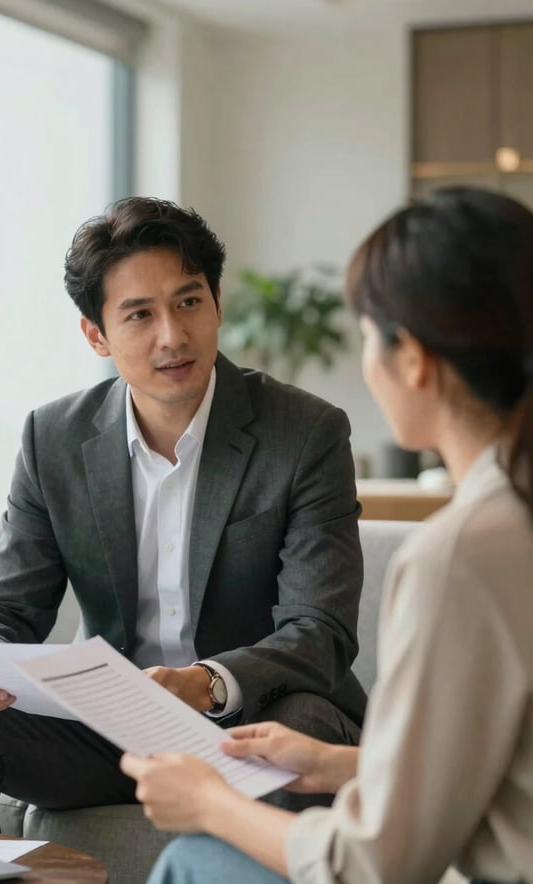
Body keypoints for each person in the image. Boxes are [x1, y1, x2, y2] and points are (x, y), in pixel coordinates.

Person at [0, 196, 366, 831]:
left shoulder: (305, 432)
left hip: (256, 720)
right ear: (96, 334)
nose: (173, 335)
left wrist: (203, 682)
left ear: (218, 304)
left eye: (189, 301)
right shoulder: (52, 437)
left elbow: (319, 631)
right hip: (111, 729)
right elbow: (6, 607)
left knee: (301, 724)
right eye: (139, 314)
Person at [122, 186, 533, 883]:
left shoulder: (459, 556)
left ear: (414, 360)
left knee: (194, 859)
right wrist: (342, 762)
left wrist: (211, 803)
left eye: (367, 335)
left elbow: (375, 865)